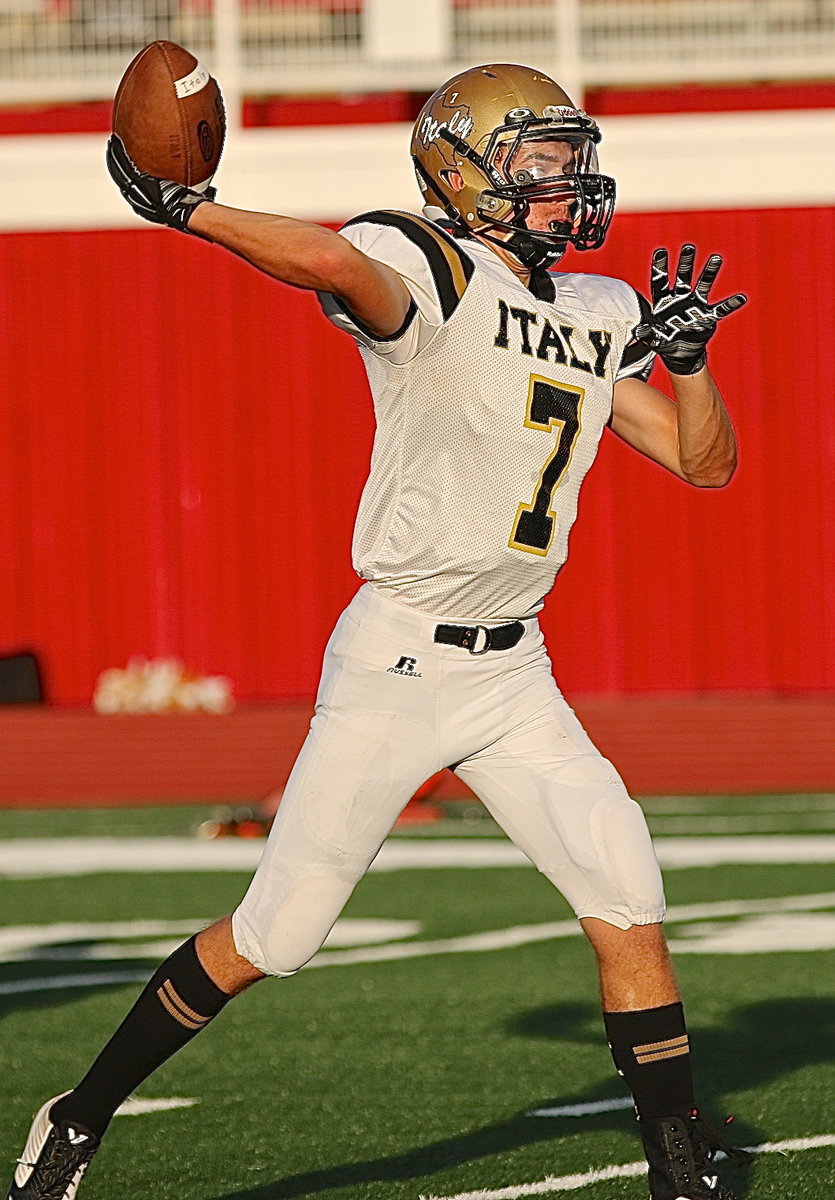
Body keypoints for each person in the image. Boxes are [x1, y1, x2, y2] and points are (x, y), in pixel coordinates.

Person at [7, 63, 752, 1200]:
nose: (568, 184)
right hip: (399, 655)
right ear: (461, 170)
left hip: (517, 668)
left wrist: (690, 365)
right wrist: (187, 209)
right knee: (279, 933)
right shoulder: (428, 265)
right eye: (539, 162)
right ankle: (80, 1114)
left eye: (569, 158)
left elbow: (707, 466)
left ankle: (679, 1169)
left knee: (626, 893)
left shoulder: (598, 309)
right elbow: (331, 260)